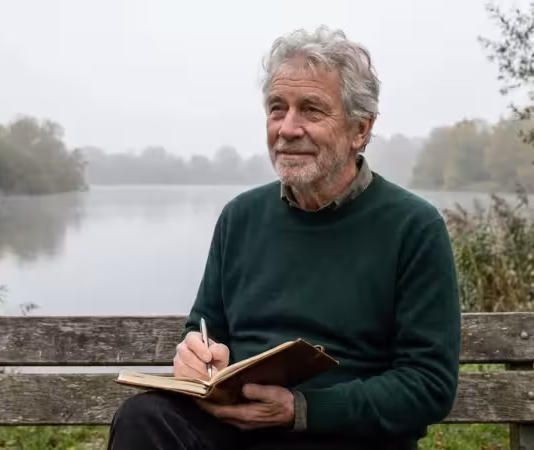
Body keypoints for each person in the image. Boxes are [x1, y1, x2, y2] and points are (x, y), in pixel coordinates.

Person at [107, 26, 461, 450]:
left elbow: (428, 385)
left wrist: (303, 410)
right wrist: (197, 352)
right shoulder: (240, 217)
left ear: (359, 130)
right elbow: (204, 326)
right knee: (143, 418)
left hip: (347, 437)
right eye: (278, 108)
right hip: (237, 432)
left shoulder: (413, 227)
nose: (287, 128)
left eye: (311, 110)